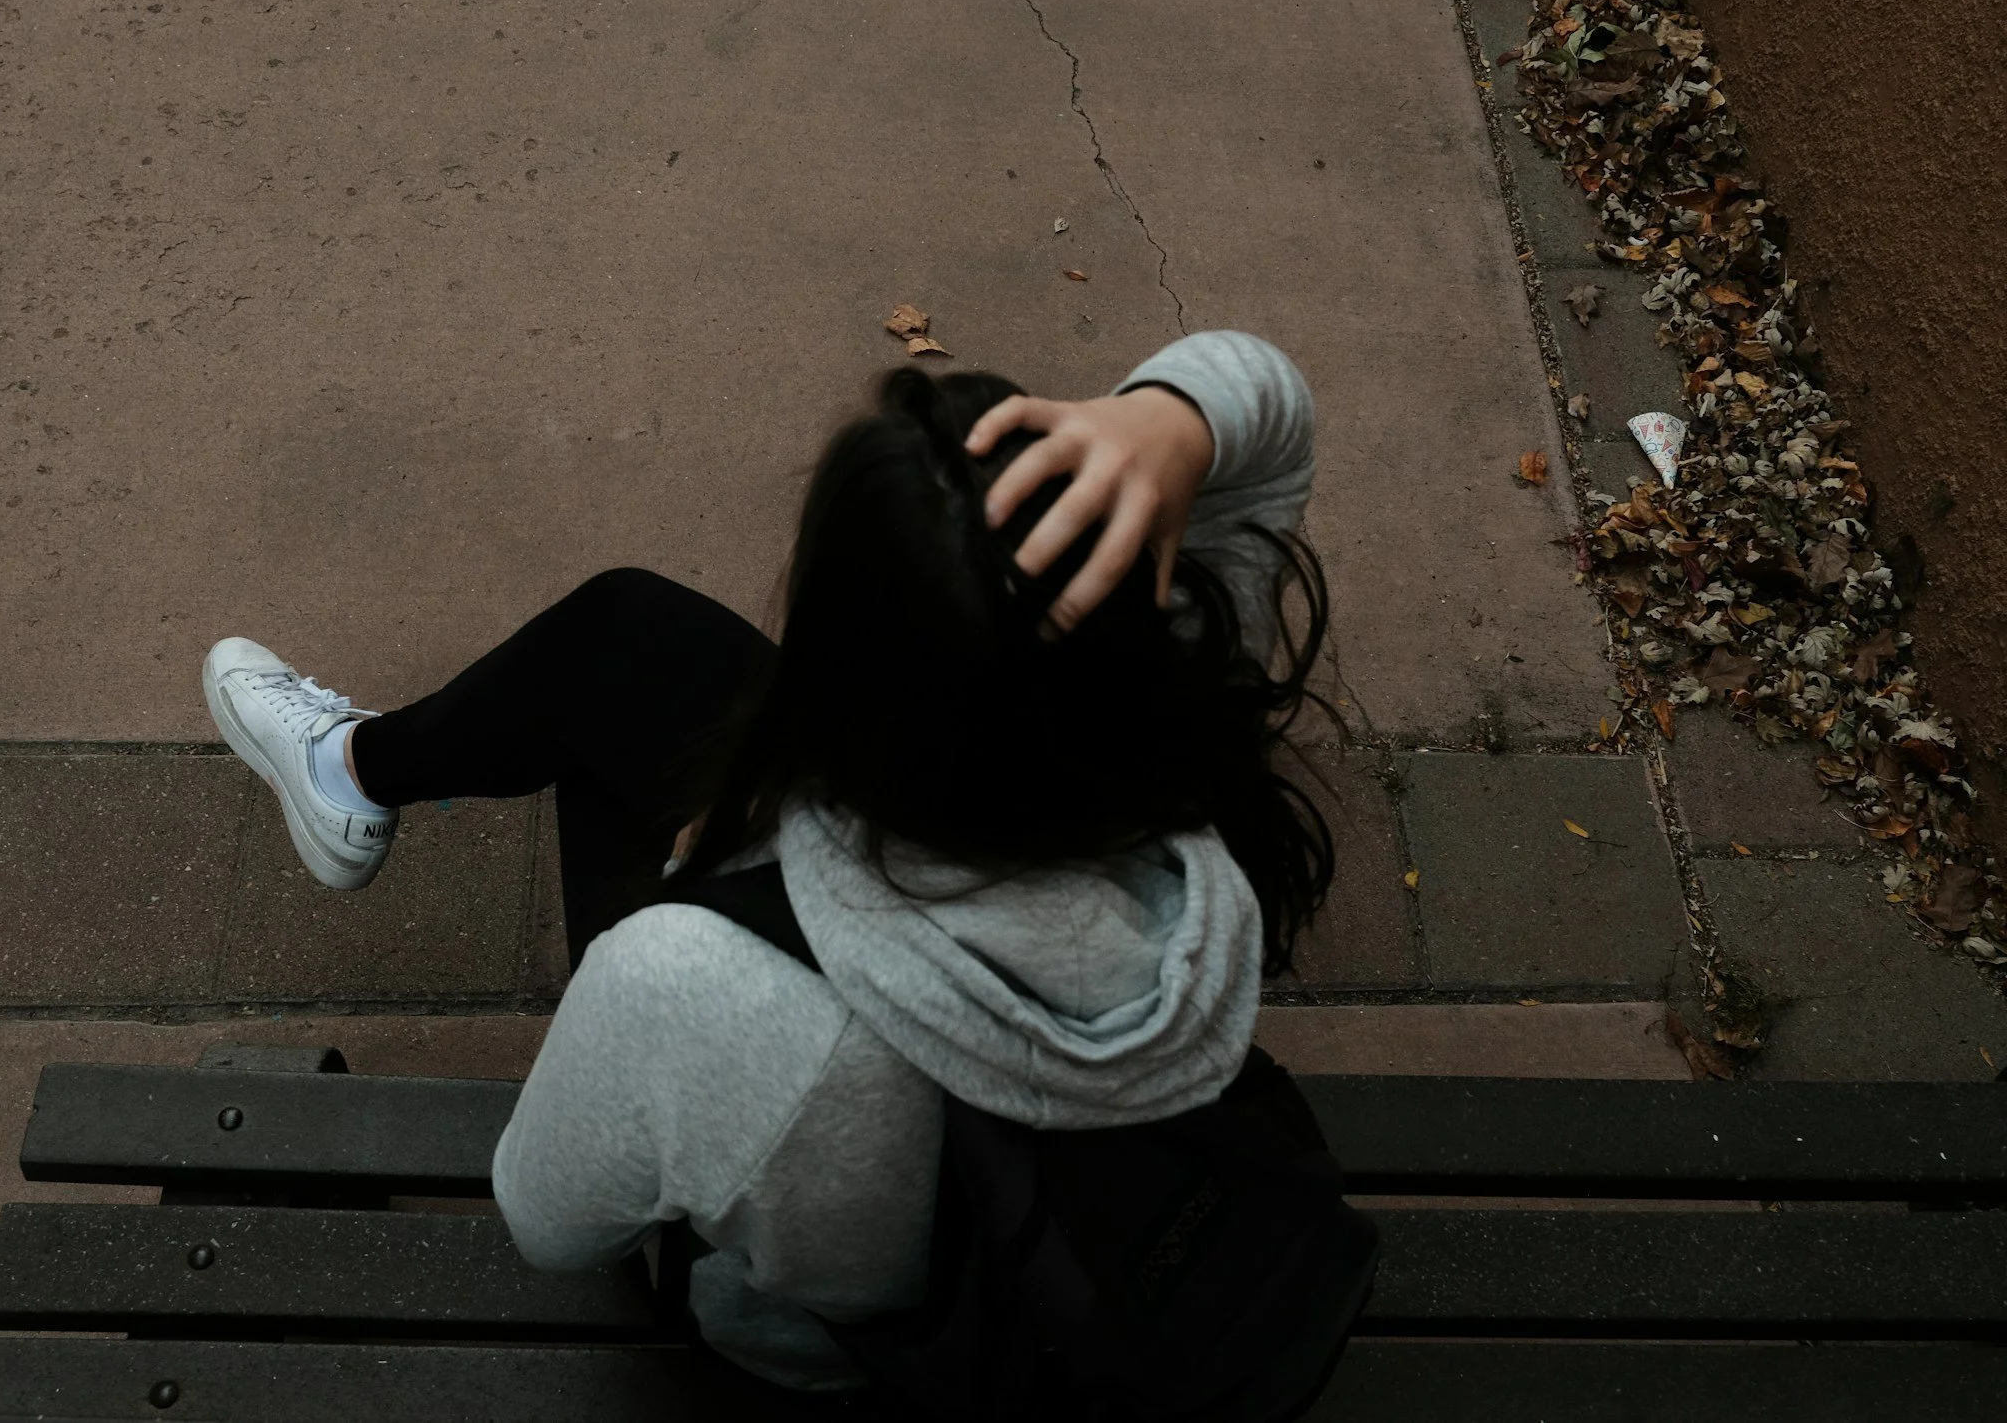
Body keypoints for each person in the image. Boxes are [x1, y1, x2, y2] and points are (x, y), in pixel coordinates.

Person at [202, 329, 1332, 1391]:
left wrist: (723, 895)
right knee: (627, 636)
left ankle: (347, 774)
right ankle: (351, 769)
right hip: (1116, 1210)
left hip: (849, 1360)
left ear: (843, 676)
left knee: (618, 698)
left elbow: (548, 1220)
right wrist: (1168, 416)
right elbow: (1268, 404)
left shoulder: (698, 980)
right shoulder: (1188, 749)